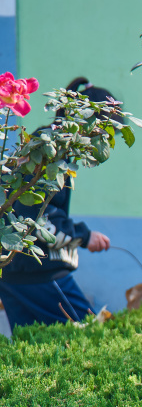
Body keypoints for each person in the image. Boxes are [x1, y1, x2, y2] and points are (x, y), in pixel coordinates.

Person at [0, 78, 114, 330]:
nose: (106, 140)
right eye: (107, 130)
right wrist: (84, 236)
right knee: (91, 334)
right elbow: (38, 217)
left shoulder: (46, 145)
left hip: (15, 273)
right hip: (37, 273)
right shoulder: (50, 152)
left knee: (31, 347)